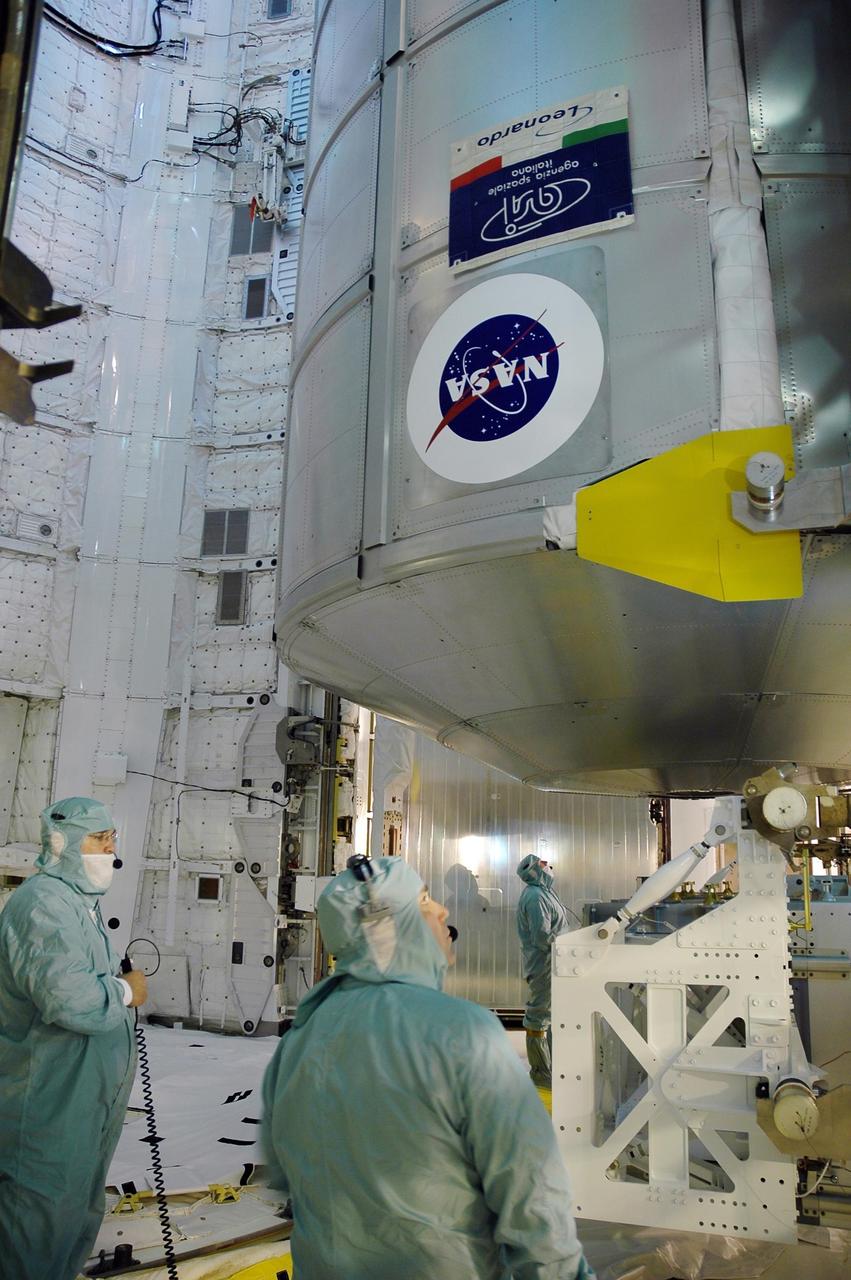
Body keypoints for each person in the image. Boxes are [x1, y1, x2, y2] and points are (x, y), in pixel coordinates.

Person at [262, 854, 593, 1280]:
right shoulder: (464, 1032)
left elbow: (288, 1180)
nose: (442, 910)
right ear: (387, 927)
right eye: (423, 900)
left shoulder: (297, 1043)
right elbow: (533, 1198)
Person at [0, 797, 146, 1280]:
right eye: (100, 840)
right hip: (46, 1105)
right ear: (62, 844)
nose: (110, 851)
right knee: (36, 1226)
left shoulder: (78, 903)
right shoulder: (44, 904)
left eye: (112, 839)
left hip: (79, 1104)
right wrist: (128, 991)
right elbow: (72, 1001)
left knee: (71, 1215)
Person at [516, 854, 569, 1089]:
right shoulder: (536, 896)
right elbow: (541, 936)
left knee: (553, 1014)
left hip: (553, 961)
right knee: (540, 1015)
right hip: (544, 963)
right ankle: (541, 1073)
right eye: (544, 864)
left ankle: (554, 1067)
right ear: (537, 870)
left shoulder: (545, 891)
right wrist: (568, 944)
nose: (549, 866)